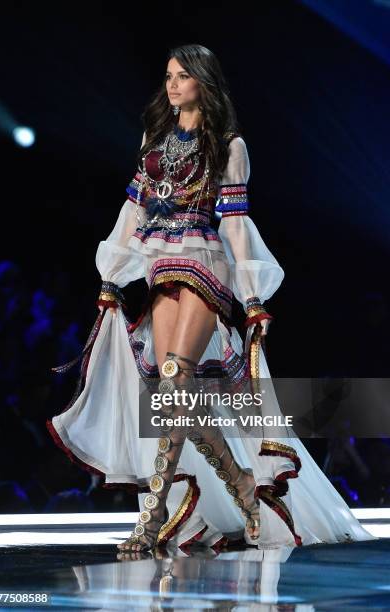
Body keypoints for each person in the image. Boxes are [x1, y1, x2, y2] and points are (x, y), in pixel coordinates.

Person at [46, 44, 375, 553]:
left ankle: (152, 519)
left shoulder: (228, 144)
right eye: (168, 77)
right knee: (174, 394)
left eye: (182, 77)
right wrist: (112, 273)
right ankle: (241, 483)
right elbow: (133, 209)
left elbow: (237, 225)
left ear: (203, 82)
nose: (172, 85)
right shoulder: (153, 139)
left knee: (177, 378)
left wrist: (251, 295)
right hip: (159, 265)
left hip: (204, 261)